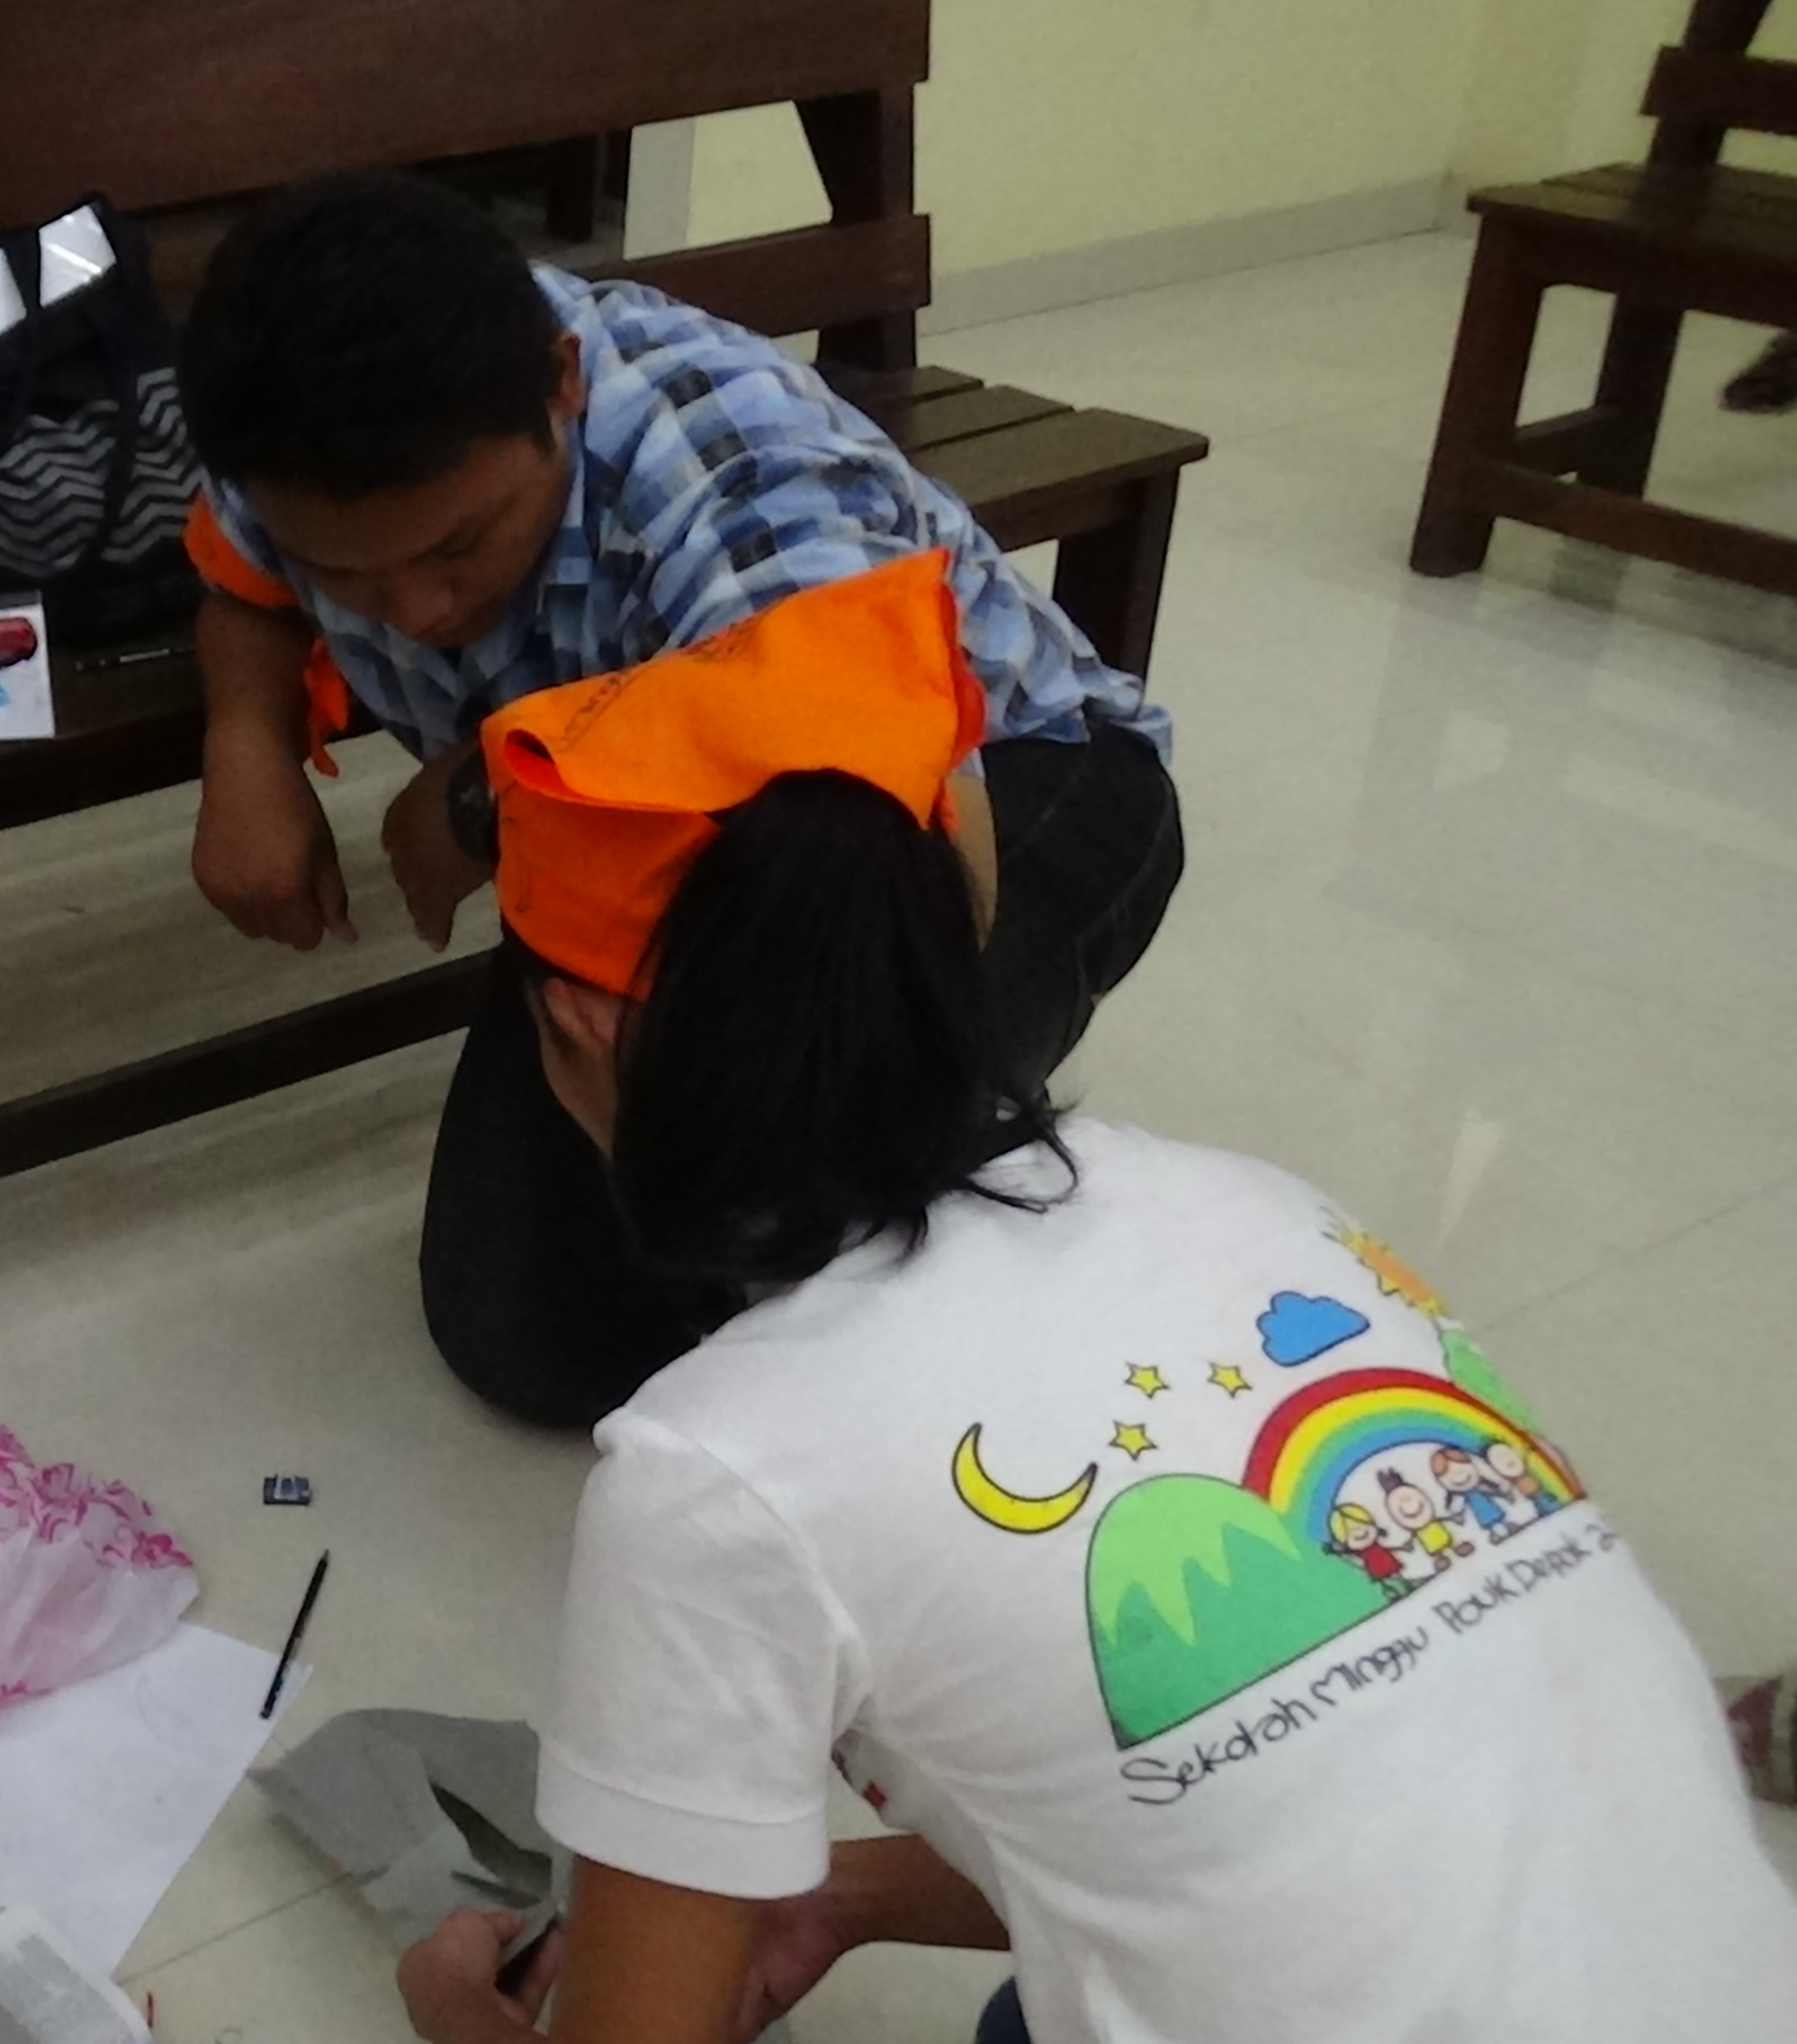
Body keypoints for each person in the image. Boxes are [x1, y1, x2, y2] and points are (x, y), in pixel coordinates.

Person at [383, 563, 1797, 2044]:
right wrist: (841, 1899)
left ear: (579, 1022)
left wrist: (452, 2015)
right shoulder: (1257, 1208)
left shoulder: (715, 1472)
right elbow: (1251, 1783)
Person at [172, 170, 1182, 1430]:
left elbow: (914, 868)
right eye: (347, 576)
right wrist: (247, 743)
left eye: (459, 546)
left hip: (981, 799)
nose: (416, 612)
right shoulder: (297, 420)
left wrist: (485, 791)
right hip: (618, 808)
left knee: (815, 1218)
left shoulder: (748, 487)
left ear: (560, 384)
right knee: (532, 1333)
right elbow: (247, 579)